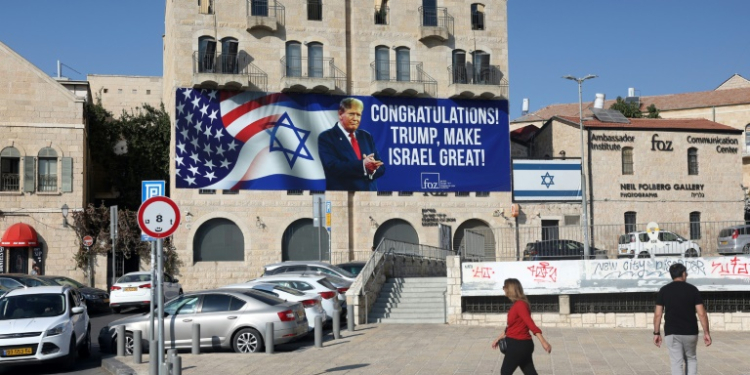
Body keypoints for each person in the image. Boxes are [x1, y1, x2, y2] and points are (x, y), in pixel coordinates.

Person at [653, 263, 711, 375]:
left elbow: (658, 314)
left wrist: (656, 333)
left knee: (676, 362)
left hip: (672, 332)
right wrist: (706, 332)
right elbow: (702, 313)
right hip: (690, 332)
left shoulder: (664, 290)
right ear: (683, 274)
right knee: (691, 359)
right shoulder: (693, 290)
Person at [318, 97, 385, 191]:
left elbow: (381, 167)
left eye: (358, 115)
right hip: (342, 197)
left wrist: (372, 169)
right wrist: (363, 165)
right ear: (340, 114)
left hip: (369, 198)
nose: (355, 119)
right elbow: (333, 167)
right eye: (351, 114)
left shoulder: (366, 136)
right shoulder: (327, 137)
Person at [491, 278, 551, 375]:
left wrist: (543, 342)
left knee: (505, 372)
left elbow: (530, 324)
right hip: (522, 345)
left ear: (510, 289)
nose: (503, 289)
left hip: (517, 344)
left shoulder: (520, 305)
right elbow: (511, 327)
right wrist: (498, 339)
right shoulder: (517, 304)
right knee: (529, 372)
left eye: (504, 287)